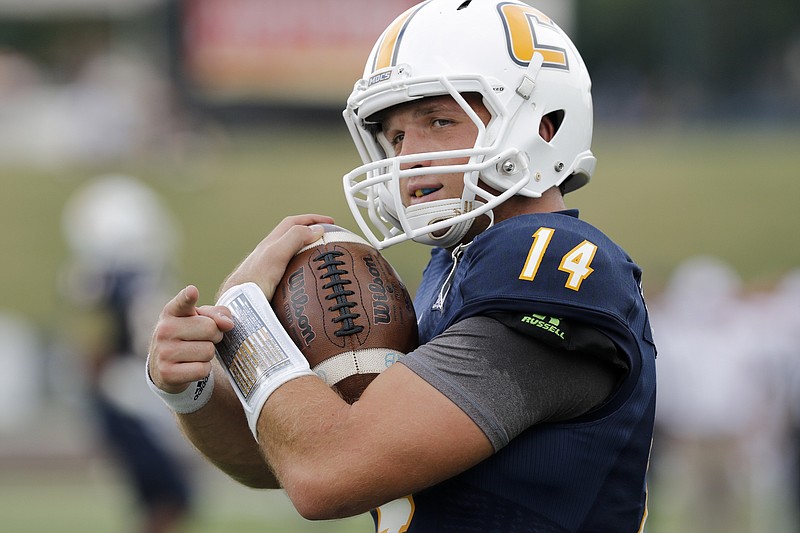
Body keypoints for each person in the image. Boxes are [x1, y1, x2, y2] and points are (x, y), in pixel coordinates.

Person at [146, 1, 656, 531]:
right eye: (396, 136)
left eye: (439, 120)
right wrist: (194, 390)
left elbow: (328, 472)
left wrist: (245, 316)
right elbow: (279, 458)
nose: (409, 156)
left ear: (544, 126)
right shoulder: (451, 271)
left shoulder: (550, 264)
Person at [61, 175, 194, 533]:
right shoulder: (109, 285)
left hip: (130, 400)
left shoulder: (109, 284)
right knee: (173, 499)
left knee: (168, 501)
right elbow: (99, 350)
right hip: (127, 402)